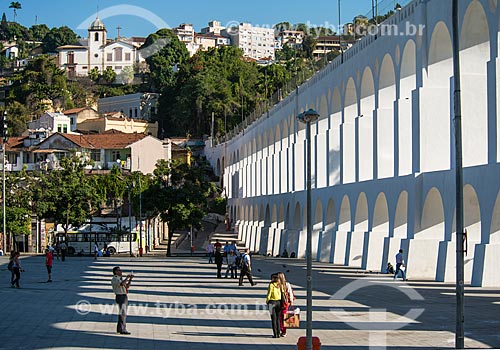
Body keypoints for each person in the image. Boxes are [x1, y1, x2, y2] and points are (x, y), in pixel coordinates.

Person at [111, 266, 133, 335]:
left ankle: (120, 328)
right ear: (115, 272)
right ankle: (123, 329)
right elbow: (121, 284)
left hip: (124, 296)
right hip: (120, 296)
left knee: (123, 313)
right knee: (123, 313)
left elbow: (127, 286)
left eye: (120, 270)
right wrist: (127, 278)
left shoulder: (120, 279)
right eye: (119, 270)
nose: (121, 271)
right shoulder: (115, 279)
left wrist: (130, 279)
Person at [278, 272, 295, 337]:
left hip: (280, 303)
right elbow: (290, 293)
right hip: (285, 303)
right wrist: (291, 302)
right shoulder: (286, 284)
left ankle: (282, 330)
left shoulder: (280, 285)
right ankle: (283, 330)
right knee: (283, 317)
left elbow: (290, 293)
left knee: (280, 317)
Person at [266, 273, 282, 338]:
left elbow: (269, 294)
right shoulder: (279, 285)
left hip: (272, 302)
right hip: (279, 302)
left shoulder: (271, 285)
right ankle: (278, 333)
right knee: (278, 318)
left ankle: (275, 334)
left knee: (273, 319)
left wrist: (267, 301)